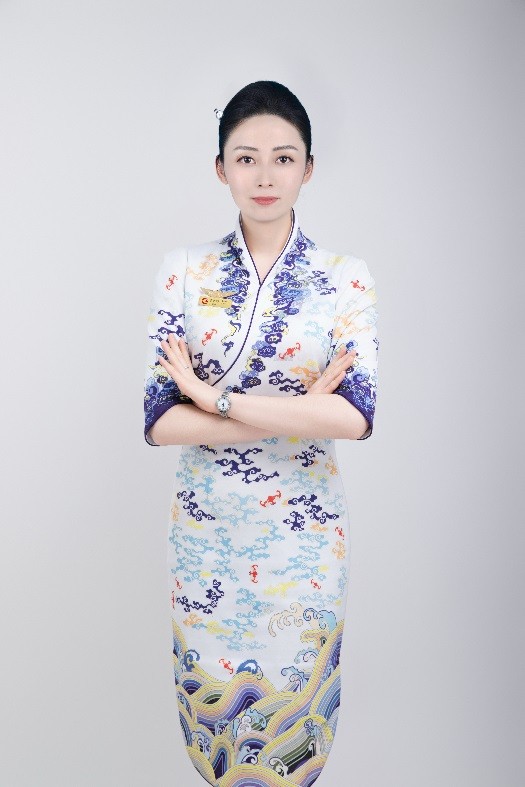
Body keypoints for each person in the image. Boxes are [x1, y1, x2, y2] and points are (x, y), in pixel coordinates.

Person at [143, 80, 379, 786]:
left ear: (309, 167)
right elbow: (160, 421)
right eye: (246, 158)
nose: (265, 175)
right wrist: (298, 408)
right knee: (216, 740)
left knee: (292, 740)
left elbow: (353, 417)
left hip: (304, 540)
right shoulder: (184, 271)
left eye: (284, 157)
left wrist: (211, 398)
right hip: (208, 534)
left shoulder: (345, 279)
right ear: (221, 169)